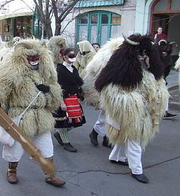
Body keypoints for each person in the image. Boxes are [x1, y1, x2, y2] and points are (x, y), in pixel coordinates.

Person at [0, 39, 66, 187]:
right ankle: (12, 171)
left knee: (47, 147)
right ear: (23, 57)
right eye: (30, 57)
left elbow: (55, 91)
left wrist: (49, 91)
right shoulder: (12, 70)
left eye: (36, 57)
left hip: (42, 115)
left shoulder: (46, 71)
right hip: (20, 115)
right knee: (15, 148)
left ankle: (50, 174)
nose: (34, 60)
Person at [94, 34, 169, 183]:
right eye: (139, 53)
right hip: (131, 111)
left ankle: (115, 157)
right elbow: (111, 91)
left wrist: (159, 96)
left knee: (129, 136)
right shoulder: (119, 69)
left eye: (145, 53)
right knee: (135, 137)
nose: (142, 56)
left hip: (146, 110)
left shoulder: (150, 67)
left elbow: (159, 83)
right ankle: (136, 170)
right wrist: (133, 100)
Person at [52, 48, 86, 152]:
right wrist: (61, 102)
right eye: (70, 56)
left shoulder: (74, 69)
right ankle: (66, 142)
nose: (72, 58)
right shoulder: (60, 70)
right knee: (65, 122)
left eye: (73, 56)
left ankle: (59, 133)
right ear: (64, 57)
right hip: (64, 98)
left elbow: (79, 82)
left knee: (76, 121)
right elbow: (57, 86)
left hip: (74, 98)